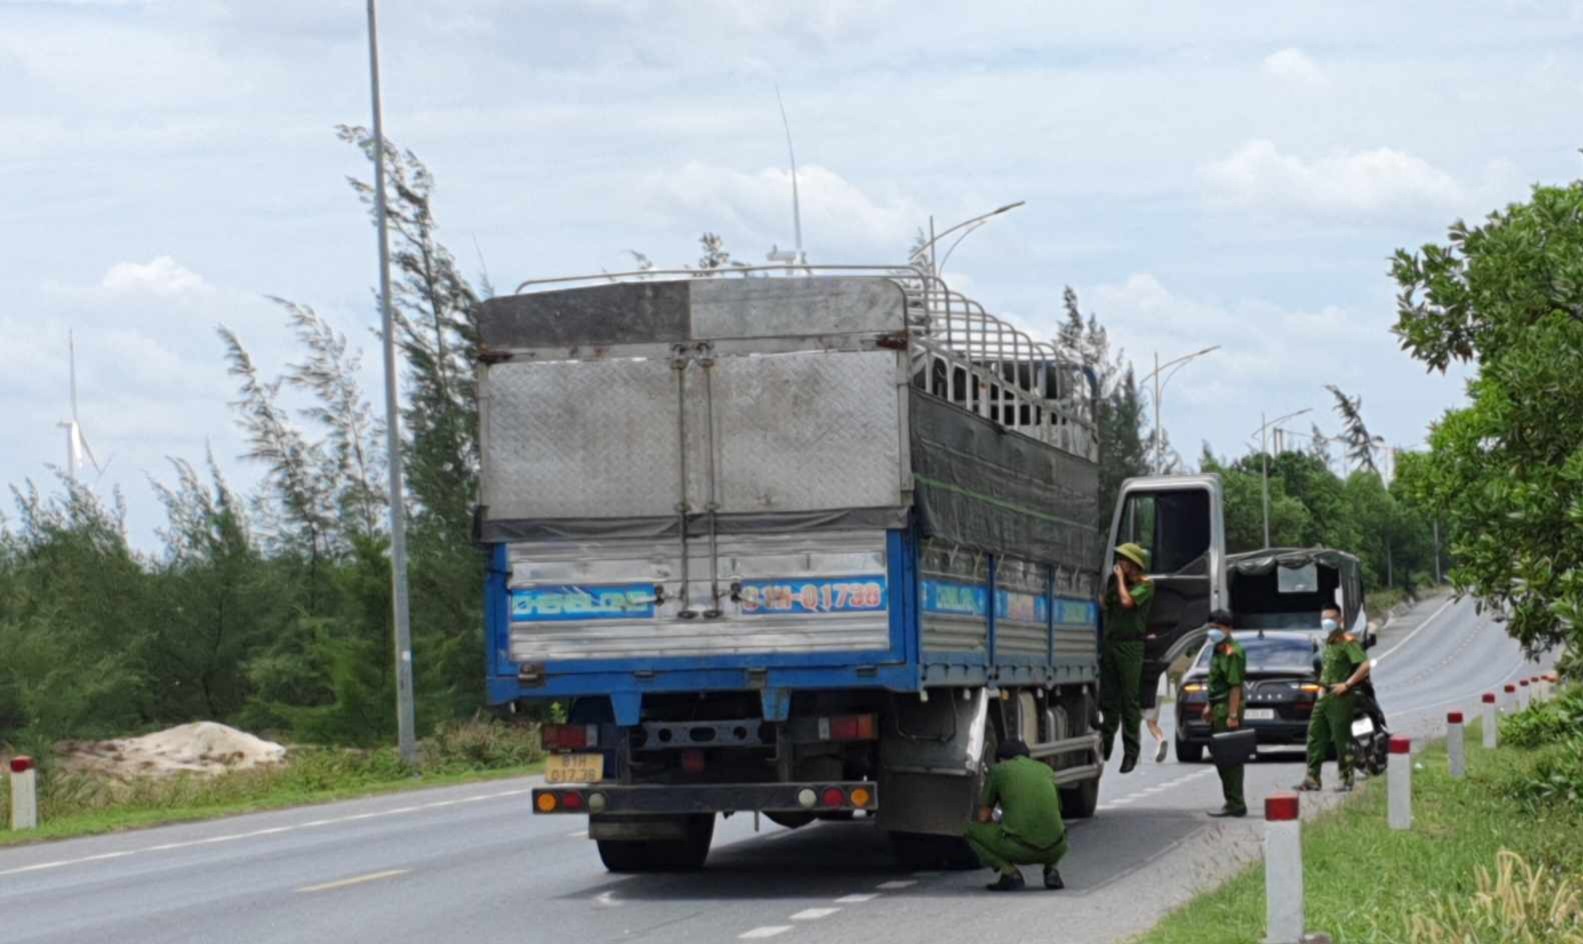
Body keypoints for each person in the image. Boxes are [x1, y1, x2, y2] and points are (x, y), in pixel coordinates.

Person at [965, 739, 1067, 891]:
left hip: (1020, 849)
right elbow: (1057, 810)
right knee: (1052, 827)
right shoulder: (1046, 770)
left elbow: (983, 817)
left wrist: (997, 824)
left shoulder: (998, 770)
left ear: (1001, 759)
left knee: (970, 831)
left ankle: (1010, 874)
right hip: (1057, 847)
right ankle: (1052, 871)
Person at [1295, 606, 1372, 793]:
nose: (1326, 622)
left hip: (1341, 697)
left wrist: (1347, 684)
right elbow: (1325, 670)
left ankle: (1346, 779)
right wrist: (1320, 693)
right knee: (1315, 736)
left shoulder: (1347, 641)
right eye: (1323, 619)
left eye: (1330, 618)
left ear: (1340, 620)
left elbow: (1366, 665)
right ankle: (1312, 778)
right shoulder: (1328, 643)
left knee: (1341, 739)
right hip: (1325, 695)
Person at [1100, 542, 1155, 773]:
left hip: (1131, 646)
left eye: (1124, 560)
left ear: (1134, 565)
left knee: (1129, 699)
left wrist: (1120, 580)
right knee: (1108, 697)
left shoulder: (1146, 585)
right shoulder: (1116, 583)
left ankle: (1131, 752)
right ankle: (1106, 744)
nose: (1120, 564)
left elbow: (1127, 602)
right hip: (1111, 643)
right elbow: (1105, 603)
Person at [1201, 609, 1248, 817]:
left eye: (1217, 628)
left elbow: (1235, 686)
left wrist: (1232, 715)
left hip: (1228, 708)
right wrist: (1209, 706)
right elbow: (1217, 683)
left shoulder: (1232, 652)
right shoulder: (1217, 650)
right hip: (1218, 707)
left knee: (1230, 758)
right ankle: (1231, 801)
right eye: (1210, 628)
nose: (1212, 632)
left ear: (1228, 629)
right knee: (1221, 757)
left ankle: (1236, 803)